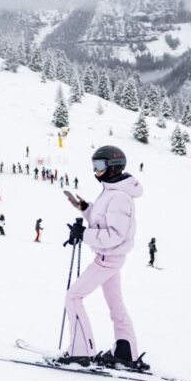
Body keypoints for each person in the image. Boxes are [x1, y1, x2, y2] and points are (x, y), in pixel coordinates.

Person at [60, 145, 144, 369]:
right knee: (116, 306)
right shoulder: (111, 191)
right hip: (111, 259)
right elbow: (103, 221)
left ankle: (81, 351)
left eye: (99, 166)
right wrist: (85, 208)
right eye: (93, 166)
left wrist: (83, 234)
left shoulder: (118, 197)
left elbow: (114, 235)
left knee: (73, 297)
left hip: (108, 258)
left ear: (113, 167)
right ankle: (125, 351)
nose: (95, 171)